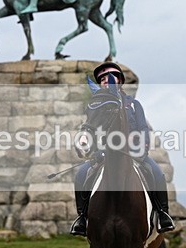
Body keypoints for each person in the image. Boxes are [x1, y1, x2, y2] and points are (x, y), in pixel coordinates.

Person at [69, 62, 174, 237]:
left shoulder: (133, 105)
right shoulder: (97, 106)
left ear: (119, 81)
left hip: (134, 154)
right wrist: (93, 149)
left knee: (157, 173)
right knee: (81, 174)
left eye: (109, 77)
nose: (105, 81)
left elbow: (143, 129)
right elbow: (92, 130)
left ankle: (163, 214)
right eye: (101, 79)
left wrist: (141, 149)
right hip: (105, 156)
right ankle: (82, 218)